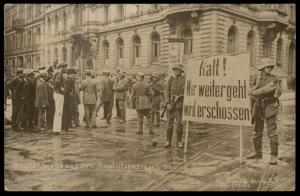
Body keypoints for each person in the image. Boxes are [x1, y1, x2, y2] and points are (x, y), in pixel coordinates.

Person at [247, 58, 282, 165]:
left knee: (272, 132)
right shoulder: (257, 77)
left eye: (270, 67)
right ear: (262, 68)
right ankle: (257, 153)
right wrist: (251, 107)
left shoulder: (274, 79)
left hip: (270, 107)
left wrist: (253, 92)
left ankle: (274, 156)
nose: (269, 69)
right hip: (258, 106)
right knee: (257, 131)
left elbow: (266, 90)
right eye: (267, 67)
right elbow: (252, 91)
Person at [164, 64, 185, 148]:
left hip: (179, 105)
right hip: (171, 105)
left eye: (178, 70)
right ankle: (168, 140)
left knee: (179, 124)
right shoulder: (170, 80)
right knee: (169, 124)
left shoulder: (184, 80)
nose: (176, 71)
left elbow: (188, 92)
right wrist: (167, 103)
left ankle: (179, 141)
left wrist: (181, 96)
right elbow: (166, 92)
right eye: (175, 70)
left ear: (181, 71)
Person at [53, 63, 67, 134]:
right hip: (59, 94)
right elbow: (57, 81)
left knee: (58, 111)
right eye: (64, 67)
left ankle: (57, 129)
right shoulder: (59, 74)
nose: (65, 69)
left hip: (58, 93)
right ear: (60, 67)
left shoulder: (58, 74)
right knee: (59, 112)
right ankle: (57, 130)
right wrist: (62, 88)